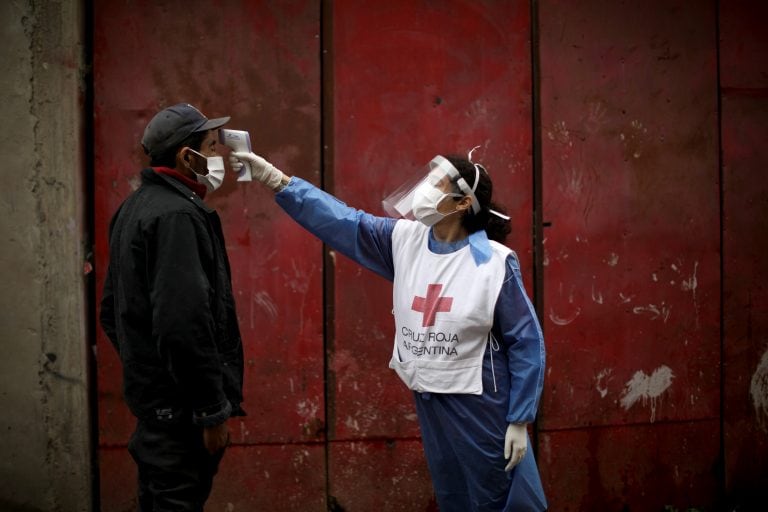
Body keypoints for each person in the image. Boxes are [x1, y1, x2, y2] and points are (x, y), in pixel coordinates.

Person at [230, 149, 547, 511]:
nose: (425, 190)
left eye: (437, 184)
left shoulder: (492, 262)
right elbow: (342, 221)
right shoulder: (404, 240)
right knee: (453, 494)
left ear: (462, 204)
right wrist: (276, 179)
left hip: (480, 400)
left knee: (494, 495)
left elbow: (526, 340)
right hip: (429, 395)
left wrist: (520, 417)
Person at [100, 103, 245, 512]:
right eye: (212, 147)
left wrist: (149, 376)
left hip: (156, 412)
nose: (219, 158)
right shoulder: (178, 215)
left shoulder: (135, 207)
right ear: (187, 156)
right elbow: (184, 322)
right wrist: (210, 411)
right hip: (181, 417)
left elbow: (112, 311)